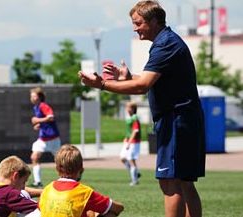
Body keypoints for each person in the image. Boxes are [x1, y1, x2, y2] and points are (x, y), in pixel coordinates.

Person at [78, 1, 206, 216]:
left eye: (138, 23)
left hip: (175, 120)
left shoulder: (165, 44)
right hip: (184, 119)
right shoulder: (168, 41)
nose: (135, 28)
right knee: (184, 183)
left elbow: (142, 86)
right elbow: (149, 80)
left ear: (153, 21)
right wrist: (126, 77)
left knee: (170, 182)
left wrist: (101, 85)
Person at [38, 144, 124, 217]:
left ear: (57, 168)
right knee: (108, 213)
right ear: (81, 168)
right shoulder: (84, 192)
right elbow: (119, 208)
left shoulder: (47, 190)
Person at [29, 87, 61, 187]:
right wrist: (40, 125)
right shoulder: (36, 107)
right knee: (34, 157)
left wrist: (38, 121)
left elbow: (51, 117)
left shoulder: (43, 106)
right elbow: (46, 121)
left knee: (61, 161)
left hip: (53, 139)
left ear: (40, 97)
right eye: (31, 96)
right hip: (43, 139)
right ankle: (37, 181)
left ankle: (75, 173)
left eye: (34, 96)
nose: (32, 98)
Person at [120, 102, 141, 186]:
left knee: (131, 160)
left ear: (134, 109)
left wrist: (129, 142)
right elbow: (129, 131)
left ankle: (134, 180)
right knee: (122, 158)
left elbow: (135, 131)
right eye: (127, 108)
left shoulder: (135, 118)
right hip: (128, 140)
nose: (128, 110)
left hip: (134, 142)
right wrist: (126, 139)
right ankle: (136, 172)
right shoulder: (130, 118)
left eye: (130, 108)